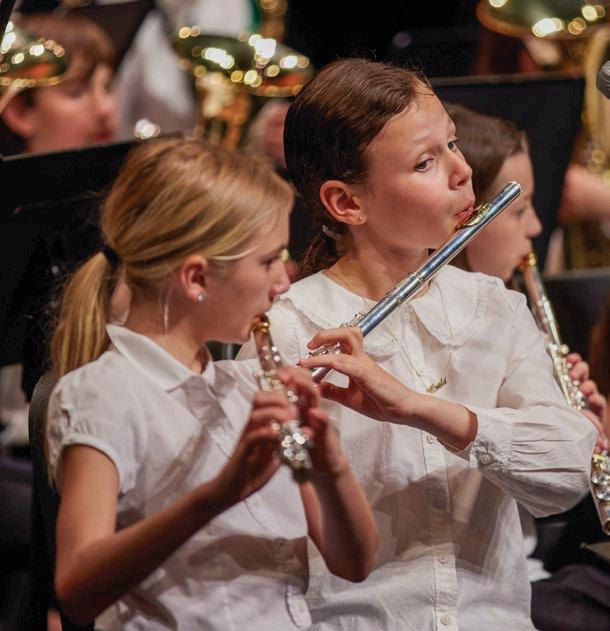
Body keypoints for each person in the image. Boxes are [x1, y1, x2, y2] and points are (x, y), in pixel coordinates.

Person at [237, 58, 597, 630]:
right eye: (425, 162)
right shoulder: (287, 329)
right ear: (347, 203)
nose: (461, 171)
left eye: (452, 144)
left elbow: (568, 472)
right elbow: (264, 536)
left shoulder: (494, 307)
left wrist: (420, 409)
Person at [45, 137, 378, 629]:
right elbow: (76, 589)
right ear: (197, 279)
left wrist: (329, 459)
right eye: (267, 261)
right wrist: (218, 494)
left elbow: (354, 563)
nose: (283, 281)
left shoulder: (247, 386)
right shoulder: (105, 393)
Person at [447, 103, 610, 630]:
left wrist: (581, 429)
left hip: (528, 568)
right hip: (479, 589)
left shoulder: (513, 317)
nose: (536, 226)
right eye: (519, 211)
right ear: (463, 218)